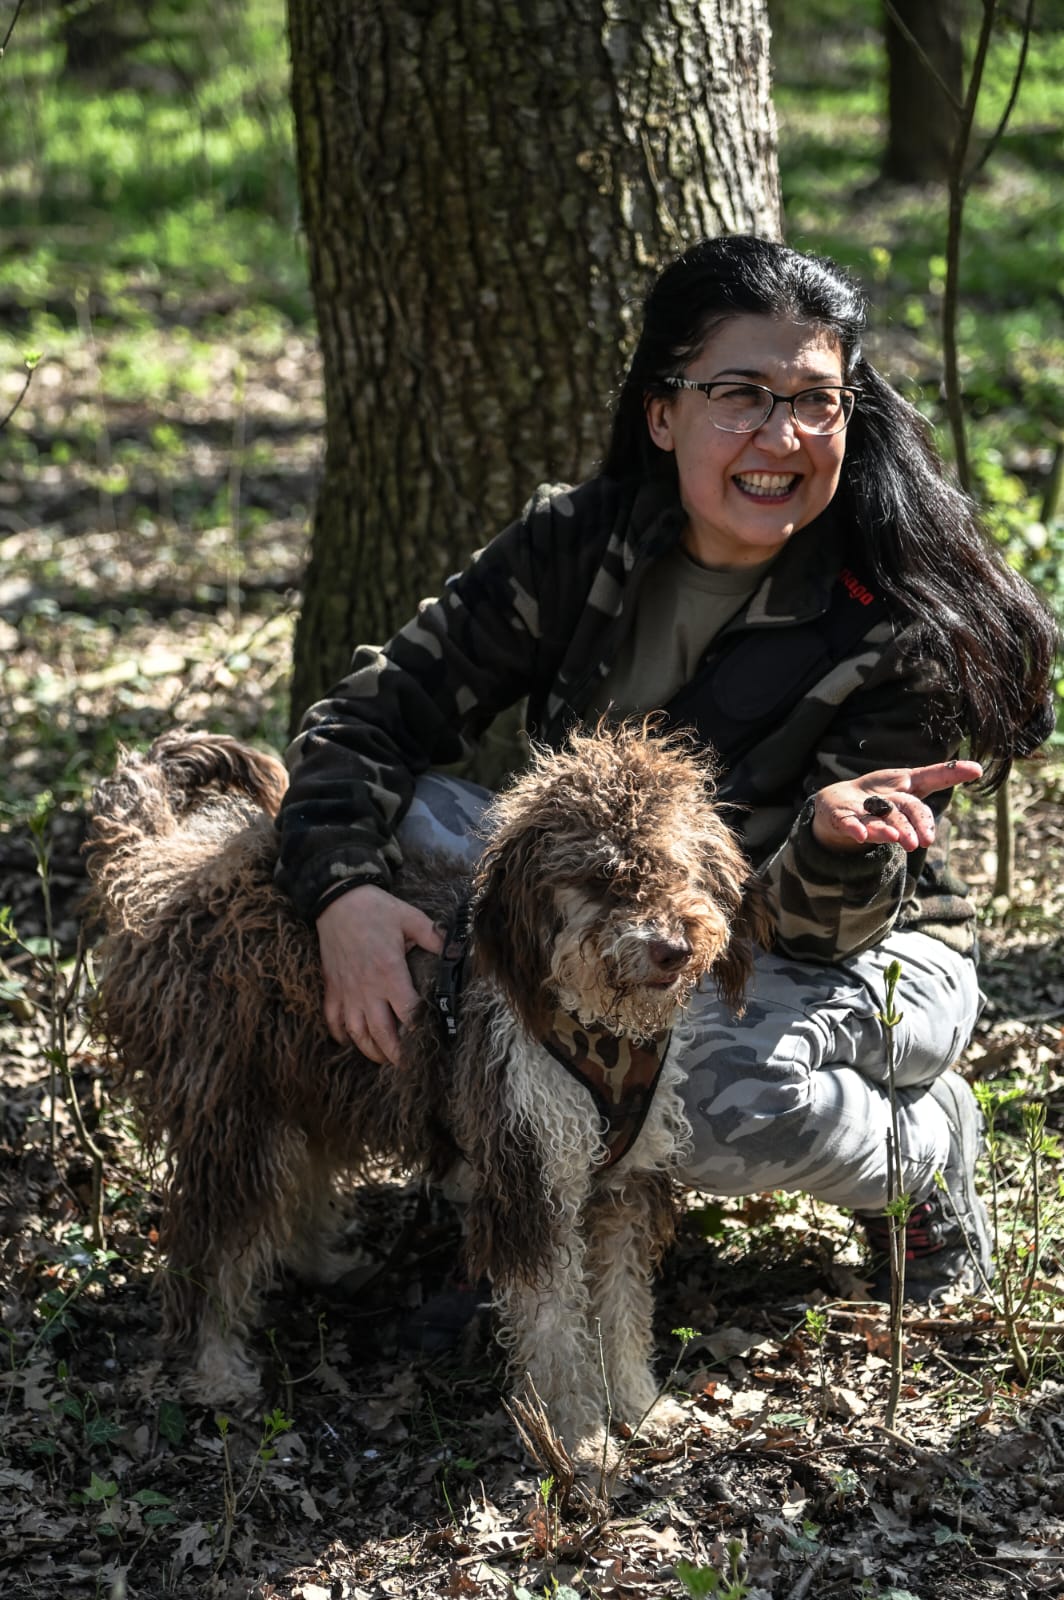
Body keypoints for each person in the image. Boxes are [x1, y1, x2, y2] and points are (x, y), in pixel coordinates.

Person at [276, 235, 1057, 1302]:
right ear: (661, 410)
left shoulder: (898, 626)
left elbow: (824, 931)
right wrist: (345, 895)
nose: (780, 434)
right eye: (740, 393)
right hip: (618, 903)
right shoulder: (577, 544)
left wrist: (830, 843)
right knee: (391, 823)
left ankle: (923, 1147)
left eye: (813, 401)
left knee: (711, 1099)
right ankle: (521, 1163)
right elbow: (365, 723)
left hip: (859, 946)